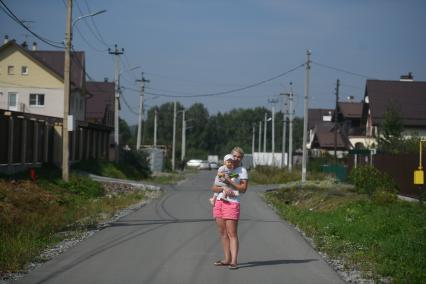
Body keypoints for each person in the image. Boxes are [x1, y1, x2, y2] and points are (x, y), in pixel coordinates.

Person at [212, 146, 248, 270]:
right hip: (219, 202)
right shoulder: (224, 168)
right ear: (230, 156)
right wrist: (223, 188)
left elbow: (243, 189)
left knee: (232, 233)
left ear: (242, 158)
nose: (236, 158)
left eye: (239, 157)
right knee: (222, 232)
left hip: (232, 203)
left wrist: (230, 182)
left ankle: (234, 261)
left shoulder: (241, 170)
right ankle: (226, 259)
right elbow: (214, 187)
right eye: (235, 156)